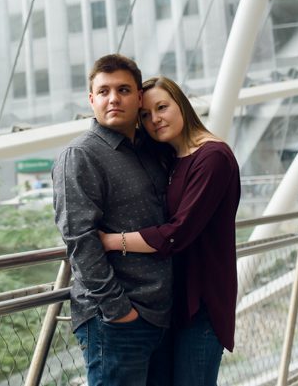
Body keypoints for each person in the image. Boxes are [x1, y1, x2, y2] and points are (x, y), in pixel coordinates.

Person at [99, 76, 240, 386]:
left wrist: (110, 241)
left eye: (162, 107)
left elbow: (178, 232)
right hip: (172, 299)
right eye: (145, 115)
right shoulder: (171, 158)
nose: (155, 120)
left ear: (182, 104)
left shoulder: (212, 157)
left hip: (202, 300)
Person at [53, 54, 173, 386]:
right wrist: (119, 311)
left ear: (138, 97)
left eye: (123, 90)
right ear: (91, 99)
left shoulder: (151, 152)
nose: (114, 99)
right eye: (104, 91)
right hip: (118, 320)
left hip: (161, 314)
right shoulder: (80, 156)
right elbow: (80, 241)